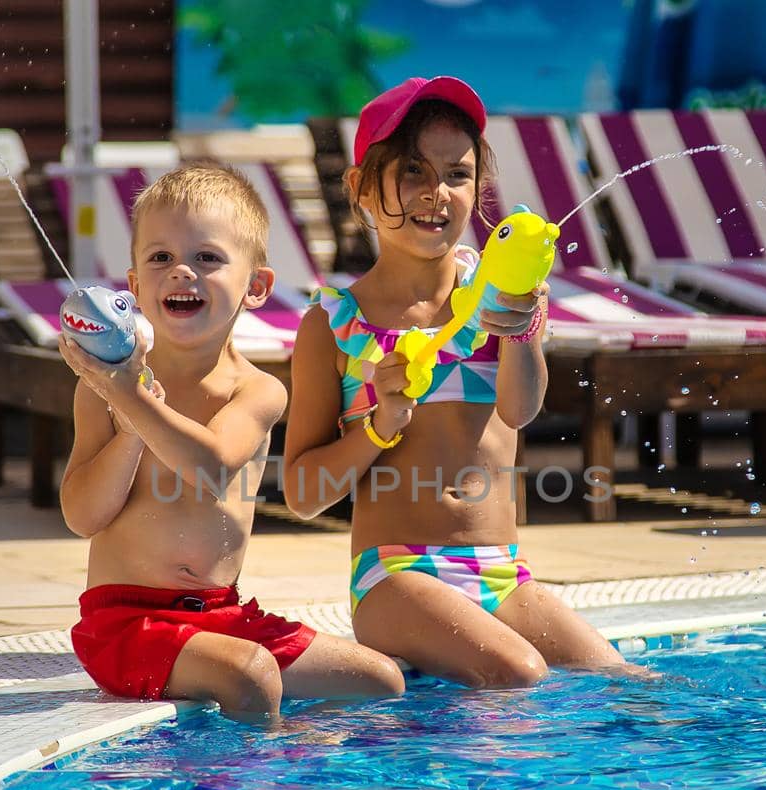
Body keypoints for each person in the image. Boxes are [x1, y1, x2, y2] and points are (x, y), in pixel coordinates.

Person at [282, 77, 650, 688]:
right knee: (519, 674)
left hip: (503, 574)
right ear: (360, 188)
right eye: (411, 172)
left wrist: (526, 325)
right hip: (397, 577)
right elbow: (302, 493)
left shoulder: (500, 297)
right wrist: (379, 424)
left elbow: (520, 408)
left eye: (457, 174)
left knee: (622, 682)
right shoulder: (335, 326)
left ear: (480, 186)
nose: (436, 193)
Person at [59, 163, 405, 722]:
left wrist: (134, 401)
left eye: (207, 258)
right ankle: (251, 789)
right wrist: (126, 420)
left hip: (221, 614)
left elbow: (213, 466)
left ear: (257, 286)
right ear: (134, 287)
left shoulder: (257, 390)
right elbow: (82, 515)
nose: (181, 273)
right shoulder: (101, 389)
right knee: (250, 674)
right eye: (160, 258)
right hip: (124, 623)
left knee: (380, 681)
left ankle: (304, 760)